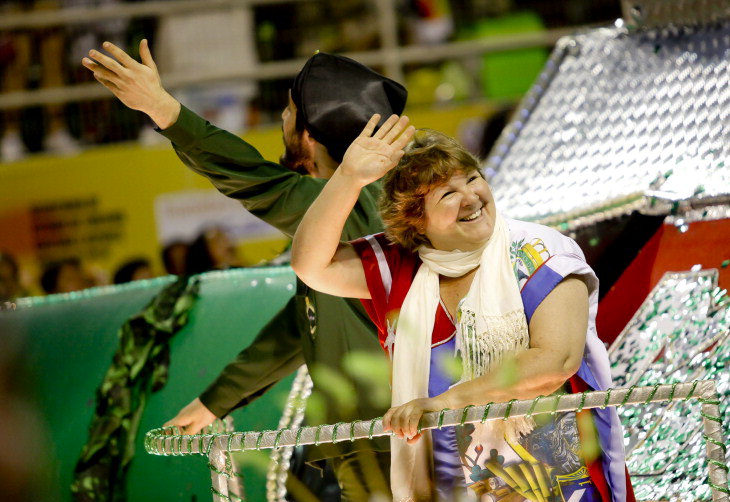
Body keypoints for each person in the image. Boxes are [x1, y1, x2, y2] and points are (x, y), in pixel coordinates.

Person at [82, 41, 406, 498]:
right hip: (386, 434)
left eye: (288, 112)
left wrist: (163, 109)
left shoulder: (345, 202)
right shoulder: (371, 207)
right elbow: (302, 327)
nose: (281, 119)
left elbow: (248, 176)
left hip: (386, 438)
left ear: (309, 137)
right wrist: (214, 402)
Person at [291, 119, 634, 501]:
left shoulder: (540, 251)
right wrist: (348, 178)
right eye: (448, 194)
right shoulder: (399, 267)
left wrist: (447, 403)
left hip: (561, 485)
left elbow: (555, 361)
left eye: (472, 179)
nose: (471, 198)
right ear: (416, 219)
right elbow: (310, 265)